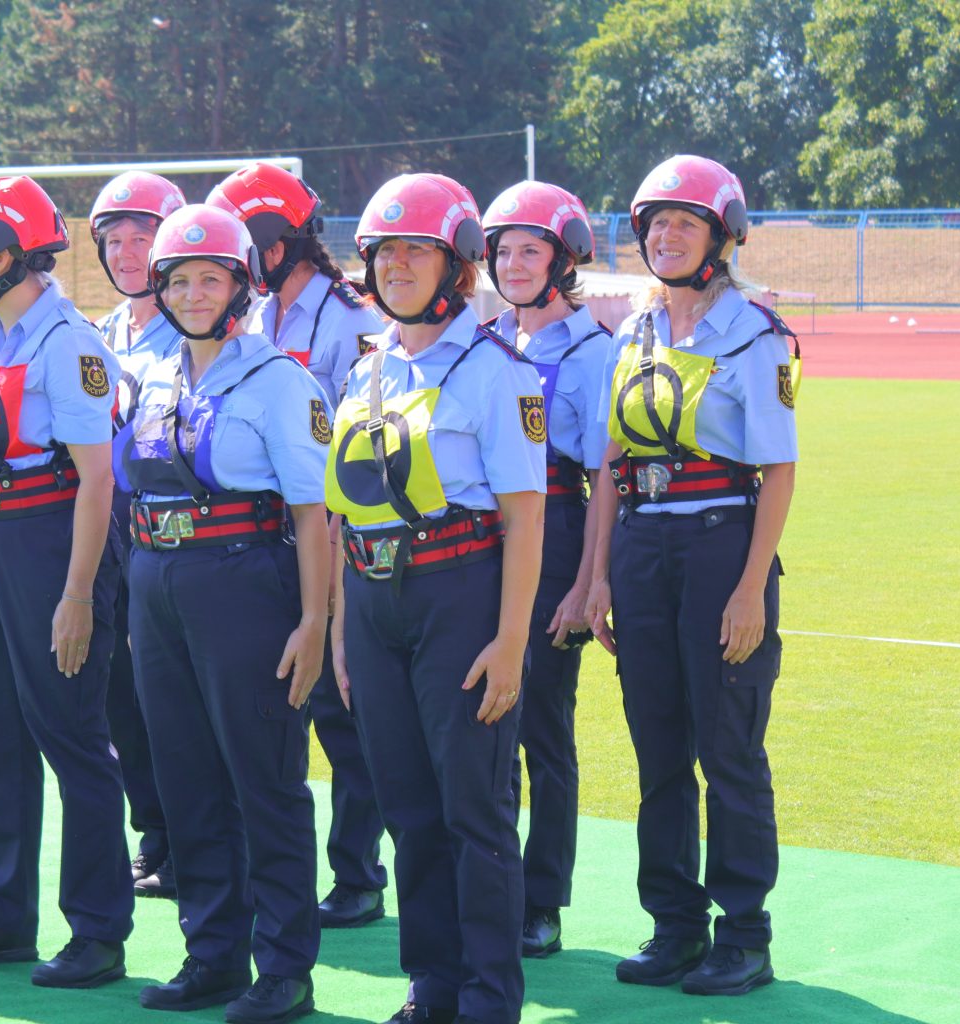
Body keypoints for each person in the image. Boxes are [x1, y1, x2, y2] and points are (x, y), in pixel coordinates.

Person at [327, 173, 545, 1024]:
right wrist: (346, 632)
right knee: (408, 808)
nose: (399, 267)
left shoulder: (498, 372)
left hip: (459, 594)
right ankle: (434, 986)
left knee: (474, 811)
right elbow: (351, 510)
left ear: (456, 264)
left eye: (418, 250)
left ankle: (490, 996)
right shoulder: (368, 367)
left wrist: (510, 641)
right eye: (385, 253)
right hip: (373, 601)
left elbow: (527, 521)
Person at [584, 154, 799, 997]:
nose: (666, 236)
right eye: (655, 224)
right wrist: (596, 576)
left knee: (728, 746)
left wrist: (749, 589)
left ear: (722, 237)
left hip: (719, 547)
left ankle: (744, 932)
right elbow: (609, 464)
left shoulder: (756, 333)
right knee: (658, 747)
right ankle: (674, 923)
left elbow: (778, 471)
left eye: (685, 223)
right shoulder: (631, 335)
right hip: (641, 549)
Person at [0, 175, 133, 989]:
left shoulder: (68, 343)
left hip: (53, 547)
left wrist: (79, 595)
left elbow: (97, 483)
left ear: (3, 254)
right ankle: (5, 913)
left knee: (73, 740)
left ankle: (98, 930)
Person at [115, 203, 329, 1024]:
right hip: (158, 583)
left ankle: (283, 968)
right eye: (179, 279)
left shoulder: (279, 379)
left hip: (246, 584)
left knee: (263, 781)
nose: (193, 293)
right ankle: (211, 954)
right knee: (186, 779)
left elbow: (314, 513)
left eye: (210, 277)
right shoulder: (156, 372)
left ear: (241, 284)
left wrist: (315, 621)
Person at [207, 162, 390, 929]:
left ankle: (356, 875)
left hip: (333, 530)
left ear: (275, 242)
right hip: (254, 547)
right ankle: (262, 872)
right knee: (266, 708)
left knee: (342, 713)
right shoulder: (246, 319)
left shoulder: (349, 321)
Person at [479, 179, 613, 958]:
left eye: (532, 249)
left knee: (542, 727)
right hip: (477, 540)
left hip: (558, 528)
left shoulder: (597, 351)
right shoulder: (483, 338)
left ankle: (542, 900)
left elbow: (604, 476)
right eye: (503, 250)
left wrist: (585, 581)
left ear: (564, 259)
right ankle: (488, 884)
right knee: (480, 720)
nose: (515, 262)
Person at [88, 171, 187, 899]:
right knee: (121, 695)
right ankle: (154, 833)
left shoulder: (191, 335)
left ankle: (193, 842)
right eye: (114, 240)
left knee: (172, 698)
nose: (127, 254)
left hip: (172, 536)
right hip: (105, 535)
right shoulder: (96, 335)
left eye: (141, 238)